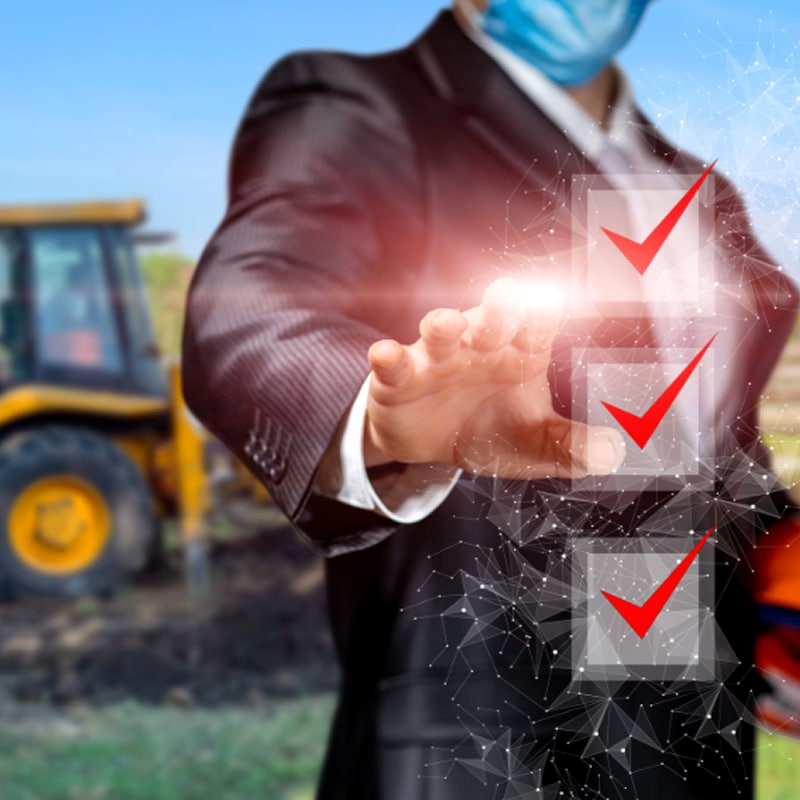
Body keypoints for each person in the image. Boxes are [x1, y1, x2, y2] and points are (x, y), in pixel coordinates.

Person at [182, 1, 800, 797]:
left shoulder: (697, 191)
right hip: (482, 739)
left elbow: (709, 444)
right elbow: (250, 312)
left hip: (688, 743)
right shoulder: (359, 108)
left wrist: (776, 571)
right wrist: (378, 417)